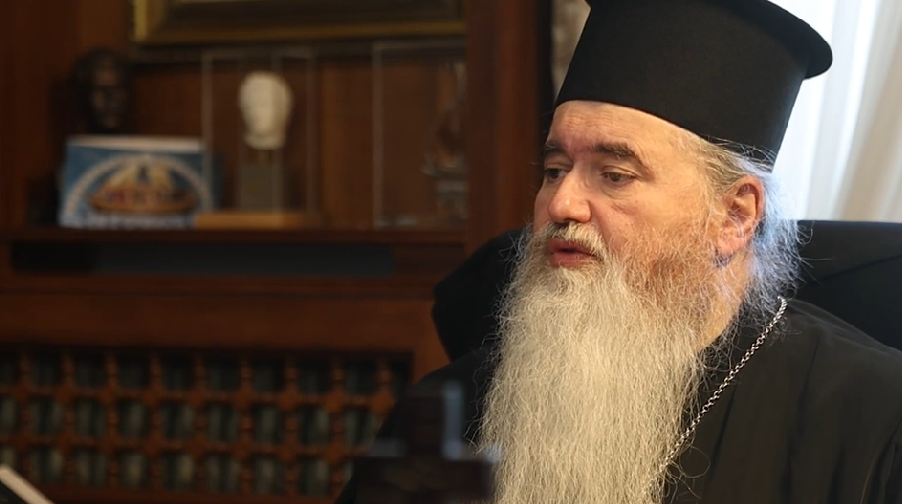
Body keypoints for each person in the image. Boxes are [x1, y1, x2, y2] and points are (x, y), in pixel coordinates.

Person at [336, 0, 902, 503]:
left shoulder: (876, 420)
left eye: (614, 175)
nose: (562, 203)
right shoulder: (449, 409)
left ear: (734, 217)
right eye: (554, 169)